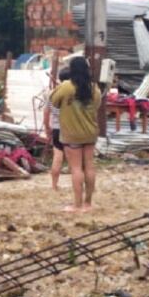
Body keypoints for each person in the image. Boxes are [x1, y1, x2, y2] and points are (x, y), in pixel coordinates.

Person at [50, 56, 101, 212]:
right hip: (90, 133)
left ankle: (77, 205)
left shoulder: (66, 87)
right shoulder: (94, 88)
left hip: (71, 134)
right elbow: (96, 105)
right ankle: (88, 203)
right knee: (89, 167)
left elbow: (53, 101)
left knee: (76, 168)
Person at [42, 68, 70, 190]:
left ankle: (54, 185)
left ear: (60, 79)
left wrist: (47, 128)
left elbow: (46, 113)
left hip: (57, 129)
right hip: (71, 129)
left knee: (57, 157)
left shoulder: (52, 94)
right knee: (74, 158)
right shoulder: (74, 94)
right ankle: (78, 184)